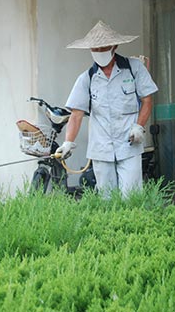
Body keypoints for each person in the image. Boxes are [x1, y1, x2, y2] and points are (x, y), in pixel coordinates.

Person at [56, 20, 158, 195]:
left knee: (131, 195)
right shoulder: (87, 78)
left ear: (114, 46)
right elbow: (76, 115)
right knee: (106, 197)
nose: (99, 52)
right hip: (101, 148)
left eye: (103, 48)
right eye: (95, 49)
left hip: (129, 144)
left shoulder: (134, 69)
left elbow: (147, 100)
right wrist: (68, 142)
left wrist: (139, 126)